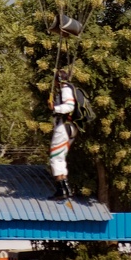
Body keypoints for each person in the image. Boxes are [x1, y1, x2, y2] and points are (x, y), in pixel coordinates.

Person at [48, 68, 78, 199]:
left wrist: (54, 108)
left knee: (55, 157)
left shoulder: (65, 89)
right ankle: (65, 188)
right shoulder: (68, 88)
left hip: (64, 126)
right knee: (60, 157)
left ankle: (61, 188)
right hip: (70, 127)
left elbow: (69, 106)